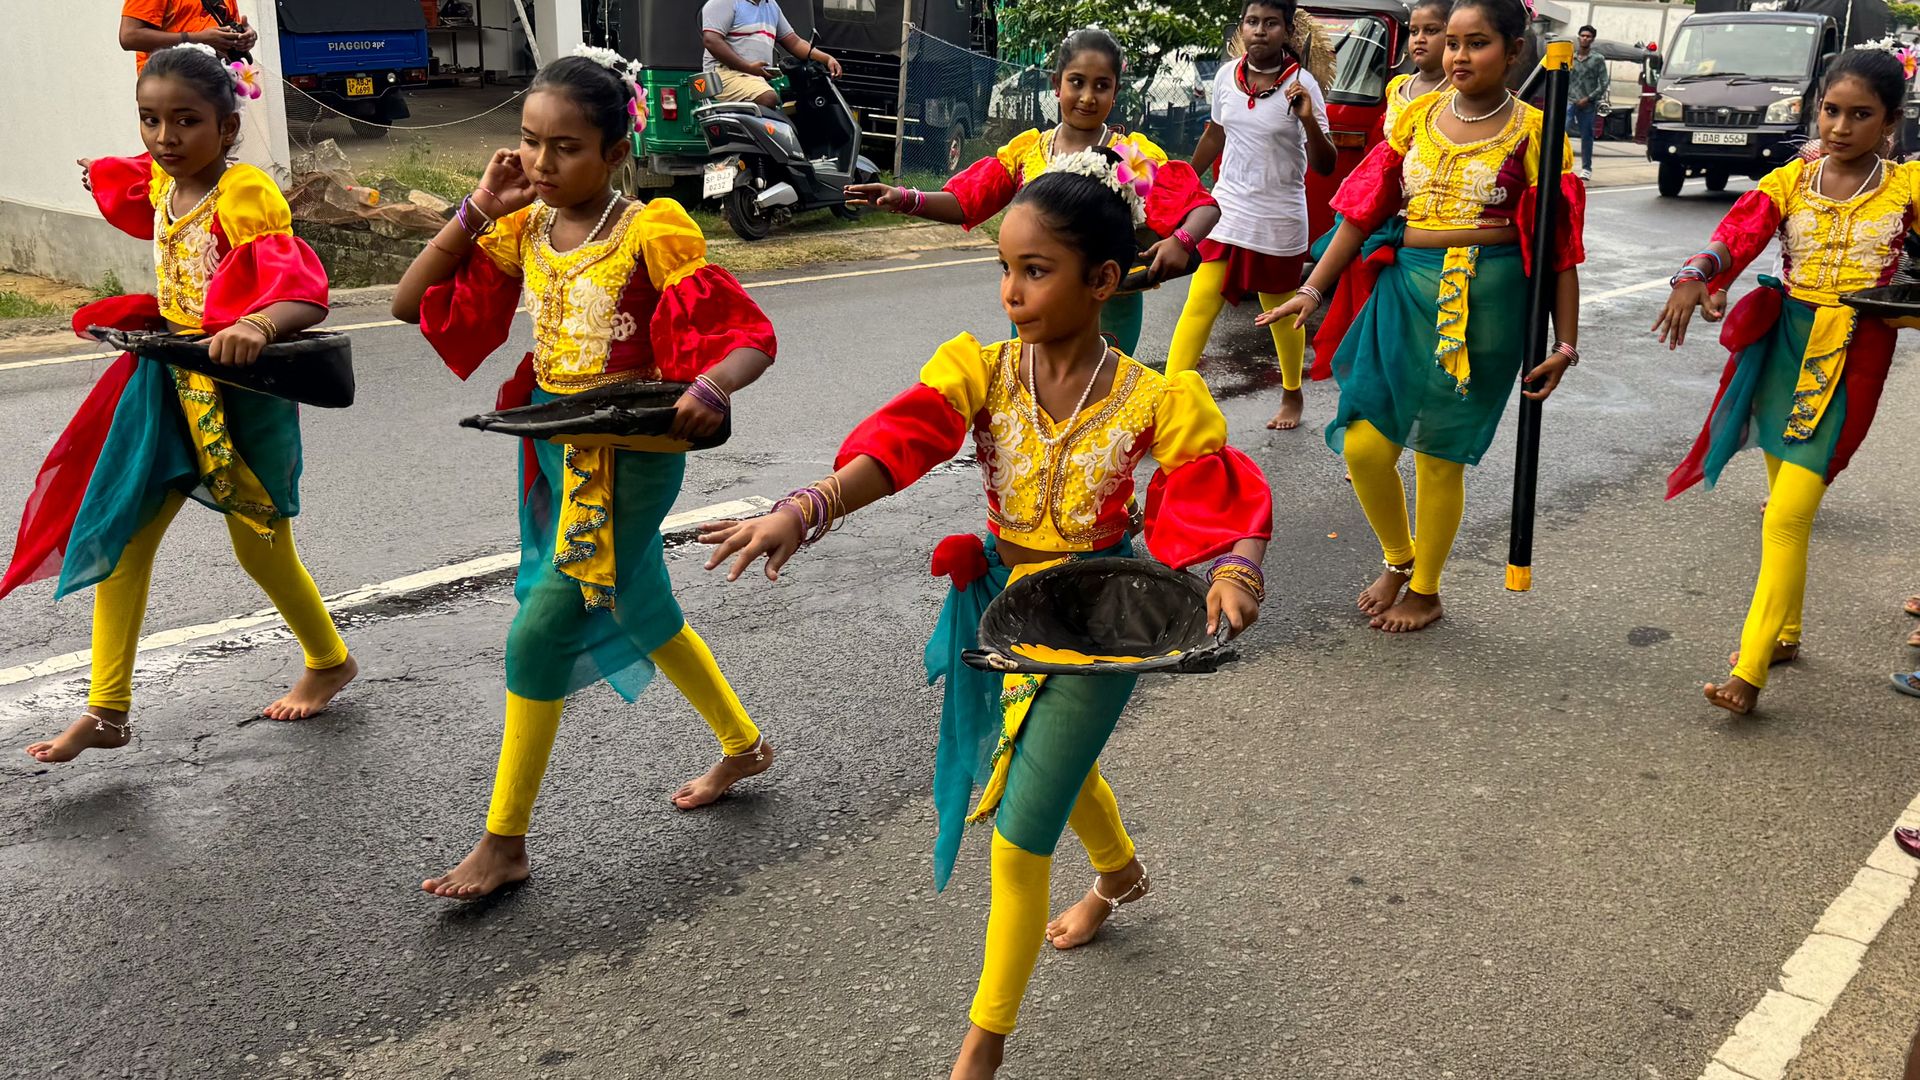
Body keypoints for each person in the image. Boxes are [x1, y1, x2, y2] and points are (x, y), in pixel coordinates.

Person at [700, 150, 1273, 1080]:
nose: (1011, 290)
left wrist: (1236, 571)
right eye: (1003, 268)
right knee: (1047, 760)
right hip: (1008, 610)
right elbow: (904, 437)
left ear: (1103, 282)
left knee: (1017, 833)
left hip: (1104, 621)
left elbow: (1215, 488)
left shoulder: (1153, 395)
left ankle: (982, 1048)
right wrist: (805, 510)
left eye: (1035, 271)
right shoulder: (984, 373)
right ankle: (1121, 877)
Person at [391, 47, 780, 899]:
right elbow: (407, 303)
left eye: (565, 147)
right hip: (553, 448)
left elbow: (745, 336)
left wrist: (711, 386)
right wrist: (475, 208)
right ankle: (744, 745)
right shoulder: (522, 224)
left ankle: (504, 842)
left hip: (634, 457)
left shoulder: (652, 229)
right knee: (644, 604)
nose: (540, 162)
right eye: (528, 142)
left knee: (538, 629)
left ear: (614, 154)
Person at [1, 43, 355, 761]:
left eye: (185, 122)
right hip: (166, 384)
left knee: (260, 550)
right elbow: (130, 178)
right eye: (149, 121)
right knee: (122, 538)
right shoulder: (169, 181)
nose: (164, 139)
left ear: (227, 129)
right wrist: (98, 169)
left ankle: (328, 660)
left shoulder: (245, 193)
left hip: (239, 393)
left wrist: (255, 324)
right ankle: (107, 710)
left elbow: (299, 289)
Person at [1262, 0, 1585, 632]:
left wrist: (1565, 344)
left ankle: (1427, 589)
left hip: (1485, 305)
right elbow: (1360, 208)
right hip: (1403, 291)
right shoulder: (1415, 116)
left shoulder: (1537, 133)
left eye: (1479, 43)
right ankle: (1399, 556)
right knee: (1363, 442)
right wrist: (1315, 289)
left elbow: (1561, 249)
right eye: (1454, 43)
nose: (1460, 56)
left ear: (1514, 51)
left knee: (1439, 455)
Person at [1657, 49, 1920, 716]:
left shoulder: (1907, 188)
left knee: (1786, 514)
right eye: (1831, 111)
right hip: (1782, 348)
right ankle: (1787, 634)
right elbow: (1737, 232)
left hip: (1856, 351)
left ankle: (1747, 672)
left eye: (1861, 115)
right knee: (1784, 501)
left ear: (1890, 121)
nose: (1840, 127)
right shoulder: (1789, 181)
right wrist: (1700, 274)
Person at [843, 28, 1220, 356]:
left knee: (1098, 408)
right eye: (1077, 82)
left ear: (1115, 91)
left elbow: (1202, 208)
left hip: (1108, 307)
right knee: (1032, 402)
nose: (1088, 96)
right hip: (1034, 301)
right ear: (1057, 84)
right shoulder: (1027, 153)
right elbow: (966, 200)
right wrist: (904, 199)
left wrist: (1182, 241)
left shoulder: (1130, 158)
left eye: (1101, 85)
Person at [1171, 0, 1336, 431]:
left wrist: (1308, 121)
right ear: (1242, 28)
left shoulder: (1303, 86)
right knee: (1199, 302)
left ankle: (1292, 392)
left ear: (1287, 32)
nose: (1259, 31)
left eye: (1270, 23)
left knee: (1278, 313)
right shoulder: (1228, 76)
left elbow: (1325, 164)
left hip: (1278, 218)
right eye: (1252, 22)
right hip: (1228, 208)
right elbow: (1216, 133)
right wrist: (1186, 187)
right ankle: (1167, 403)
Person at [1307, 0, 1452, 380]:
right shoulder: (1398, 87)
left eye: (1432, 31)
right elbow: (1377, 154)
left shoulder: (1458, 95)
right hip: (1376, 216)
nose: (1420, 39)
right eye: (1415, 31)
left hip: (1424, 223)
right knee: (1363, 318)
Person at [701, 0, 841, 109]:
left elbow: (794, 42)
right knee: (768, 98)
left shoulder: (771, 6)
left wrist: (826, 59)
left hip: (752, 77)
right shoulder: (725, 2)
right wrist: (748, 68)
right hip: (723, 75)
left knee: (793, 105)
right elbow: (711, 40)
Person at [121, 0, 256, 74]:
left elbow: (227, 29)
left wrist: (244, 37)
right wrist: (199, 40)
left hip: (216, 89)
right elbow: (129, 36)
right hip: (169, 87)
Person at [1569, 24, 1607, 180]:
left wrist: (1589, 98)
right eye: (1582, 35)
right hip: (1570, 100)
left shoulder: (1597, 59)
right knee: (1561, 131)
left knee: (1587, 135)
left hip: (1588, 103)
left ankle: (1586, 168)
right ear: (1578, 37)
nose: (1585, 38)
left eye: (1588, 36)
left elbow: (1603, 83)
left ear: (1592, 39)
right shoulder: (1570, 56)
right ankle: (1559, 165)